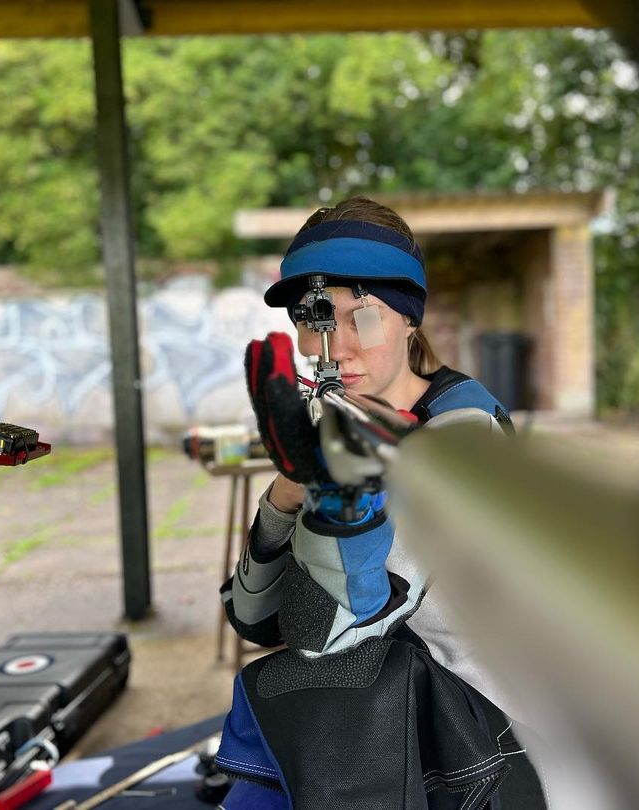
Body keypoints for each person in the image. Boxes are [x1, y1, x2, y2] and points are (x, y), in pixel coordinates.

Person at [214, 197, 545, 809]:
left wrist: (338, 507)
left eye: (363, 318)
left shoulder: (463, 433)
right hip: (400, 712)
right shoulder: (333, 418)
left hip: (488, 739)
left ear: (410, 321)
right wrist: (286, 493)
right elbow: (253, 618)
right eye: (314, 319)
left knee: (311, 684)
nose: (336, 347)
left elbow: (329, 633)